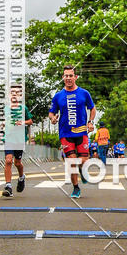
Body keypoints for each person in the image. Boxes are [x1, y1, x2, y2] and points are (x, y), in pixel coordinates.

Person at [49, 65, 96, 198]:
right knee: (71, 162)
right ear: (63, 77)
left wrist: (90, 122)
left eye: (71, 75)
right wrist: (53, 118)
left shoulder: (84, 93)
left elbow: (92, 108)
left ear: (75, 77)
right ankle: (76, 188)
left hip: (81, 132)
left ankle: (82, 169)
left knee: (84, 160)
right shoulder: (58, 96)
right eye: (66, 76)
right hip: (65, 133)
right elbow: (51, 112)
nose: (68, 78)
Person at [2, 84, 33, 198]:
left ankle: (21, 177)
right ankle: (8, 186)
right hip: (8, 138)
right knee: (8, 160)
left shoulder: (23, 108)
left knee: (17, 163)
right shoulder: (5, 108)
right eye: (12, 92)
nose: (14, 94)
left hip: (19, 139)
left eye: (17, 93)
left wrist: (23, 122)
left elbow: (30, 121)